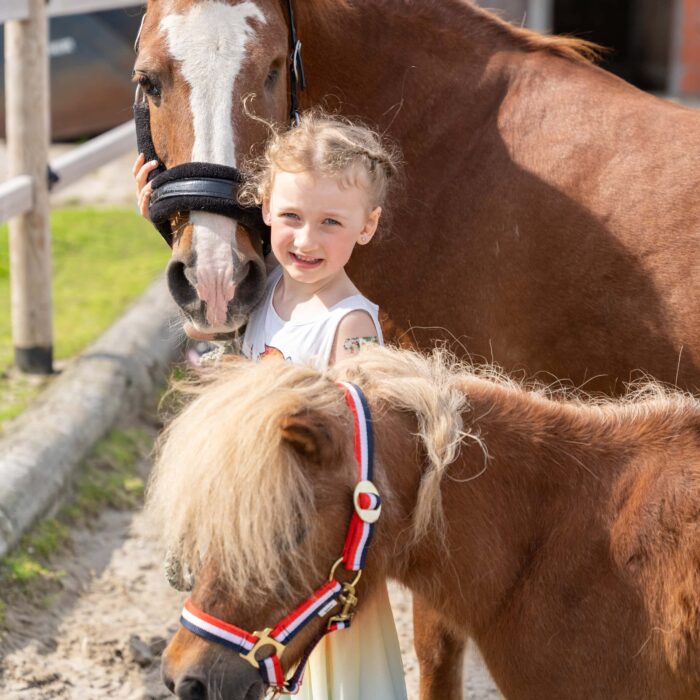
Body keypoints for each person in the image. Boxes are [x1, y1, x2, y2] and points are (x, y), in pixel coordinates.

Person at [134, 111, 408, 699]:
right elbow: (207, 335)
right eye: (291, 217)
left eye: (330, 222)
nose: (306, 240)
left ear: (367, 225)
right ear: (264, 210)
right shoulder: (265, 292)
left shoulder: (349, 322)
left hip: (304, 547)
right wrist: (164, 223)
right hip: (255, 521)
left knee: (324, 680)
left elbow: (351, 445)